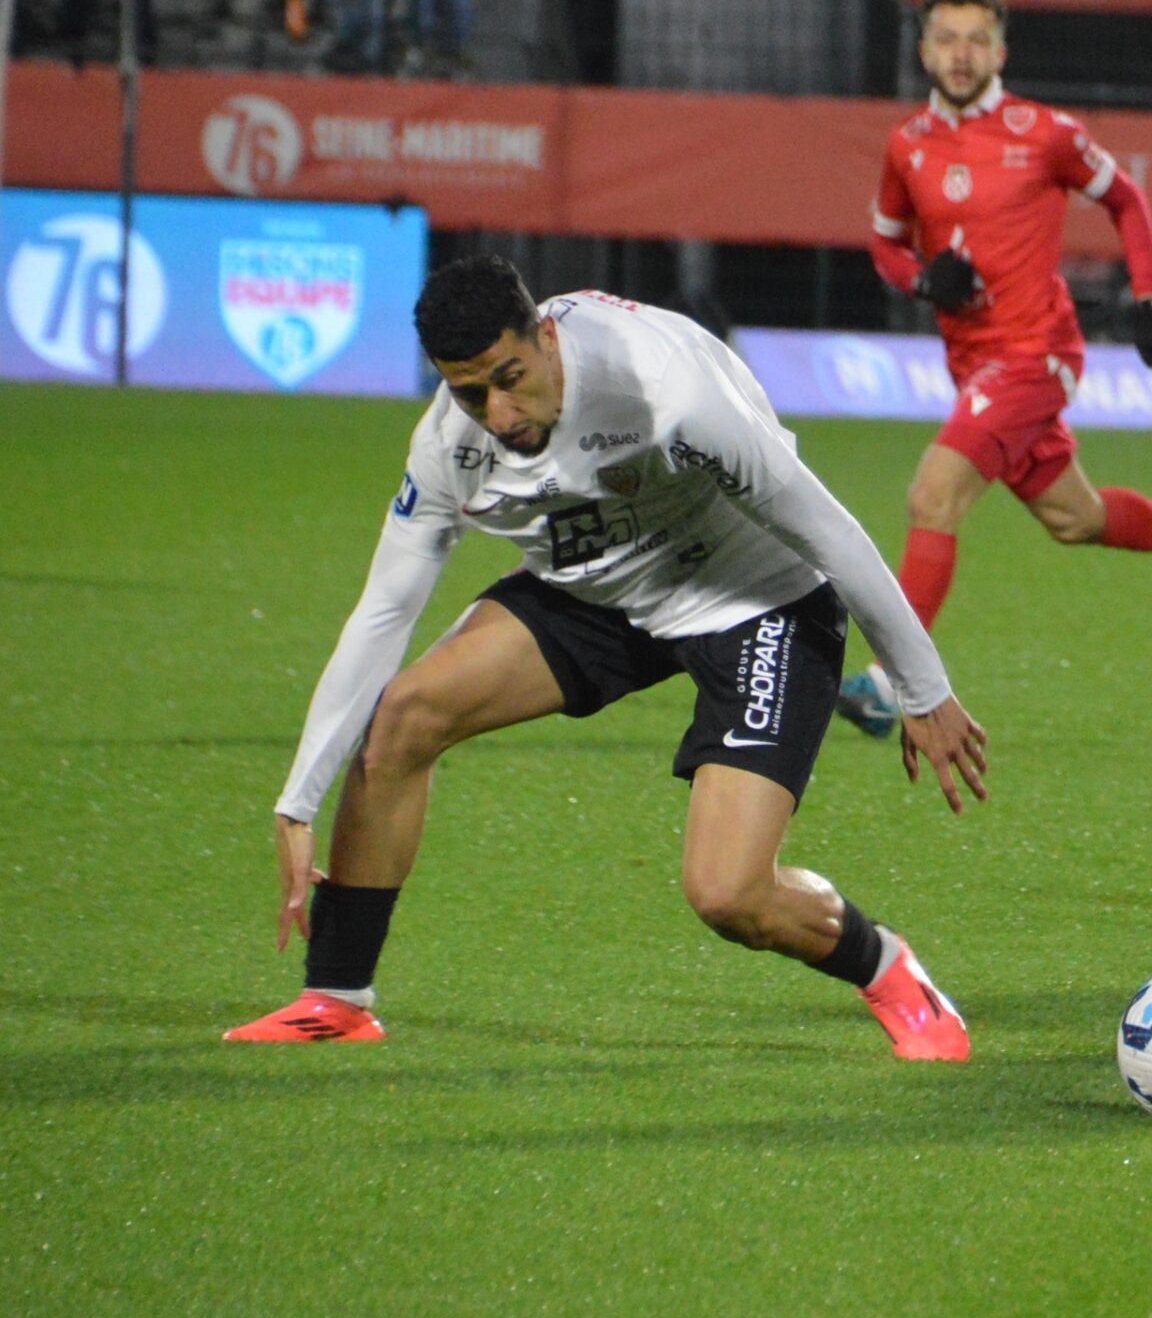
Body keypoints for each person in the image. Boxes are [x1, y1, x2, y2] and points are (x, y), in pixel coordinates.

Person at [224, 256, 991, 1059]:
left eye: (510, 378)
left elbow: (829, 533)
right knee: (406, 715)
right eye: (469, 392)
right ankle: (337, 996)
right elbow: (385, 611)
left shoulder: (666, 391)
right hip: (601, 592)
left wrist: (922, 688)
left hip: (755, 597)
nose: (498, 413)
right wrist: (298, 801)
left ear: (547, 337)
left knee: (728, 894)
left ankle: (886, 965)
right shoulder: (449, 445)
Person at [837, 0, 1152, 732]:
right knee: (1075, 518)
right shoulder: (908, 144)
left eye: (977, 39)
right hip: (973, 364)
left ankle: (892, 684)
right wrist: (922, 280)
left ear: (1000, 51)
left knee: (934, 496)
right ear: (924, 51)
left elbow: (1126, 199)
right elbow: (887, 245)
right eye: (947, 39)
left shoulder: (1046, 132)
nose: (962, 54)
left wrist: (1149, 297)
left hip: (1037, 353)